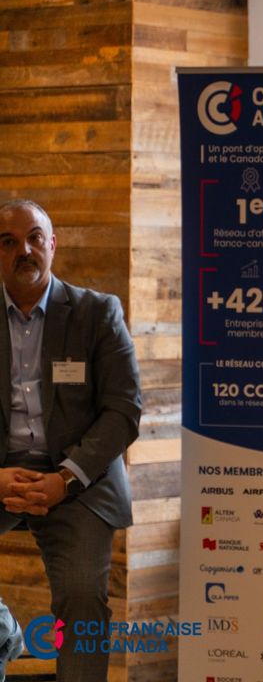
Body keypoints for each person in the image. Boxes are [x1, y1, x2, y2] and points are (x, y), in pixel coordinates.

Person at [0, 199, 142, 682]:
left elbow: (123, 411)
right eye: (9, 242)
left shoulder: (97, 313)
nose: (24, 250)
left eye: (34, 238)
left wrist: (65, 478)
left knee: (82, 596)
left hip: (80, 479)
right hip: (1, 473)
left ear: (52, 245)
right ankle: (3, 630)